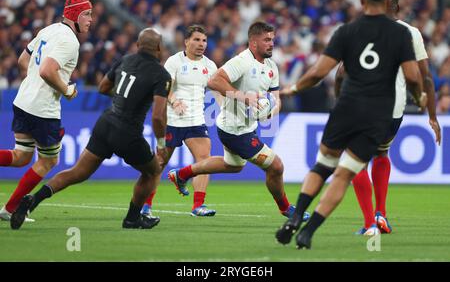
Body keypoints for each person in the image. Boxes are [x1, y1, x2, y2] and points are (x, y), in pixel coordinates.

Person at [275, 0, 427, 249]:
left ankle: (295, 216)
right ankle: (309, 232)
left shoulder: (347, 31)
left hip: (346, 108)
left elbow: (321, 72)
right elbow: (414, 77)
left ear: (361, 0)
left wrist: (293, 88)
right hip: (377, 114)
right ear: (389, 2)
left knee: (322, 166)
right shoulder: (402, 34)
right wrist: (420, 97)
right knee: (346, 174)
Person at [10, 28, 172, 230]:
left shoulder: (126, 60)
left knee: (77, 172)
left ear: (138, 45)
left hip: (106, 123)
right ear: (159, 48)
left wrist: (124, 98)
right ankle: (132, 218)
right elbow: (158, 116)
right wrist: (161, 143)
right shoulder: (161, 75)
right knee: (153, 172)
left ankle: (33, 200)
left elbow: (103, 87)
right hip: (128, 132)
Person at [166, 21, 310, 220]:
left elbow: (276, 99)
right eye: (266, 40)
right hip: (233, 129)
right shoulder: (241, 61)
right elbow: (214, 81)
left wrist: (272, 111)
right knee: (275, 166)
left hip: (247, 127)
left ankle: (181, 174)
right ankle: (285, 208)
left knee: (233, 165)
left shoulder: (271, 67)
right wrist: (244, 97)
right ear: (253, 43)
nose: (271, 43)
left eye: (272, 39)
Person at [335, 0, 441, 236]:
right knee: (382, 152)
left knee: (355, 163)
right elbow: (426, 77)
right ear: (397, 6)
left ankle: (370, 222)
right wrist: (432, 116)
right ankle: (382, 214)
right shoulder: (411, 33)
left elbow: (341, 73)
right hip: (394, 109)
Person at [0, 0, 92, 222]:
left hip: (23, 101)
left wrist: (34, 85)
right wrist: (67, 89)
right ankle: (11, 208)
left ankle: (9, 209)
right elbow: (47, 71)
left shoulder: (48, 30)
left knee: (21, 156)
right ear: (75, 16)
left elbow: (24, 60)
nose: (91, 20)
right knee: (49, 160)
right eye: (87, 14)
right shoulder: (70, 41)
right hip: (42, 109)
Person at [141, 25, 219, 217]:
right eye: (197, 40)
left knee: (204, 161)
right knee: (158, 164)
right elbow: (164, 86)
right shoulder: (174, 61)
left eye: (204, 40)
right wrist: (174, 101)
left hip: (196, 121)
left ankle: (198, 205)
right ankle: (145, 207)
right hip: (172, 121)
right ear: (186, 41)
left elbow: (218, 91)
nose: (201, 44)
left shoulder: (210, 66)